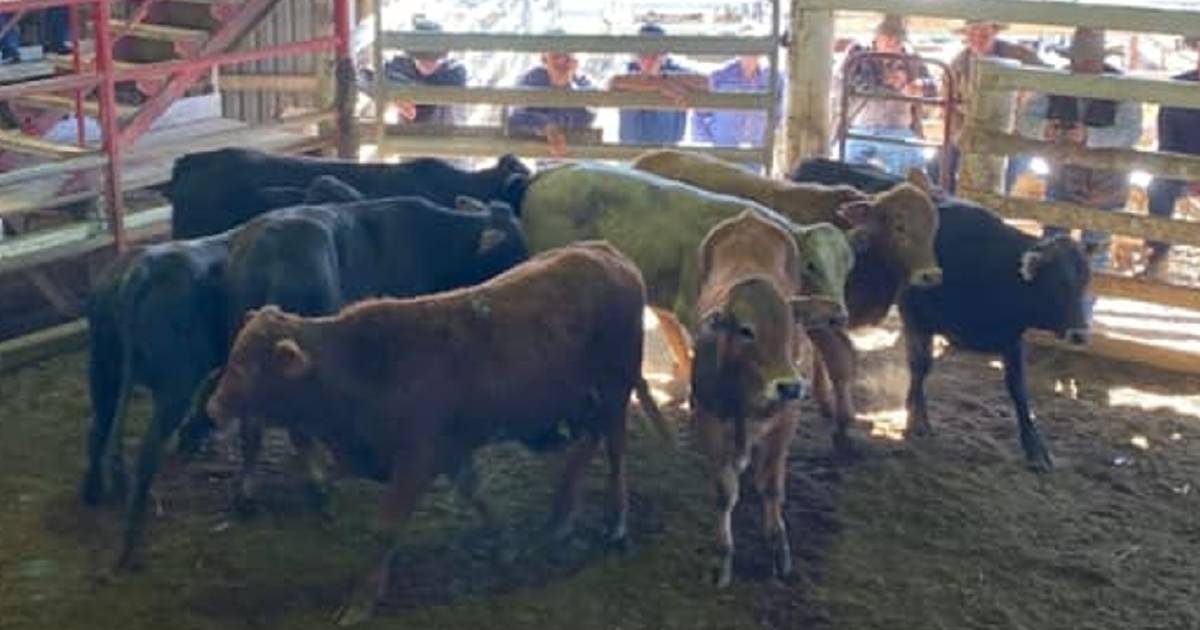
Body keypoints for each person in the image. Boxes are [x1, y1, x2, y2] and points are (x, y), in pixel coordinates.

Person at [1016, 27, 1142, 321]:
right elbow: (1026, 121)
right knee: (1052, 245)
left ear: (1100, 61)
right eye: (1078, 60)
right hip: (1064, 177)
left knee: (1093, 251)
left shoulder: (1123, 89)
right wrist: (1044, 130)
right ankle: (1050, 312)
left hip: (1106, 184)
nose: (1081, 66)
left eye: (1087, 61)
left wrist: (1088, 136)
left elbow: (1130, 133)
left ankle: (1080, 317)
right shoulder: (1056, 82)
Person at [945, 19, 1043, 191]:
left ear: (994, 32)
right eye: (972, 33)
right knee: (941, 168)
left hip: (1014, 133)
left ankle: (994, 207)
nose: (978, 38)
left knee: (1008, 172)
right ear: (966, 35)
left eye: (984, 33)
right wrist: (959, 135)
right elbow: (949, 105)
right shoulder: (958, 64)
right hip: (972, 129)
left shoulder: (1021, 56)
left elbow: (1043, 83)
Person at [841, 15, 936, 176]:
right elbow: (854, 83)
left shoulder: (912, 60)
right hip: (861, 129)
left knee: (913, 167)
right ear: (876, 39)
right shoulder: (860, 57)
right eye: (887, 37)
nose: (892, 43)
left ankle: (903, 195)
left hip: (898, 129)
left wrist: (919, 86)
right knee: (845, 166)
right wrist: (892, 86)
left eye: (897, 39)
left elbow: (932, 88)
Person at [1144, 35, 1200, 281]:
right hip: (1180, 165)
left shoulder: (1178, 85)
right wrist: (1187, 173)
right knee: (1159, 186)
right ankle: (1159, 252)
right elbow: (1167, 141)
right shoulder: (1177, 86)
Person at [609, 23, 704, 146]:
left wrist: (663, 80)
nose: (649, 57)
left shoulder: (675, 70)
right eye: (643, 51)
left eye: (655, 52)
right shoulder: (627, 70)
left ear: (664, 53)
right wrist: (660, 85)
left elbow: (705, 82)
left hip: (668, 155)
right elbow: (613, 82)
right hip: (632, 155)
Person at [507, 32, 595, 157]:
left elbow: (587, 116)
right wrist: (546, 125)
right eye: (556, 56)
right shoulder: (532, 80)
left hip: (576, 157)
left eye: (567, 56)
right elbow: (515, 117)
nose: (562, 61)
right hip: (540, 154)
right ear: (544, 60)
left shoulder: (583, 83)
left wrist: (568, 84)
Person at [377, 19, 467, 127]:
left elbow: (426, 108)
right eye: (422, 57)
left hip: (444, 138)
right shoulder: (402, 66)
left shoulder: (454, 72)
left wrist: (400, 97)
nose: (427, 62)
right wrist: (393, 99)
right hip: (408, 139)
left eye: (432, 57)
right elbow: (365, 75)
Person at [690, 49, 782, 149]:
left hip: (757, 155)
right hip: (722, 152)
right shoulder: (719, 76)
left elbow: (779, 114)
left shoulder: (774, 79)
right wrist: (706, 147)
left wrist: (769, 141)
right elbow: (699, 114)